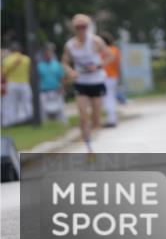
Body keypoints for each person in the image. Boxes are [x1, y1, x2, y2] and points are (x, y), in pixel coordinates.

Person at [62, 14, 114, 158]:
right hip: (81, 83)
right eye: (78, 27)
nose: (81, 30)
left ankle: (92, 136)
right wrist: (71, 71)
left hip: (96, 82)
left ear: (89, 27)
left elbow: (110, 56)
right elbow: (64, 62)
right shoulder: (70, 45)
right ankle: (89, 148)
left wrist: (97, 66)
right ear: (74, 28)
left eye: (84, 26)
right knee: (83, 116)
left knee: (96, 120)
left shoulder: (96, 41)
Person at [1, 42, 33, 127]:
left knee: (9, 104)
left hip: (11, 84)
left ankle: (9, 122)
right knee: (27, 103)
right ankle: (29, 119)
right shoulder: (27, 59)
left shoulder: (7, 60)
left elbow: (3, 73)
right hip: (24, 83)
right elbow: (30, 72)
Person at [37, 43, 67, 124]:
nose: (48, 55)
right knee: (43, 109)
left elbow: (62, 78)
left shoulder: (56, 65)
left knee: (60, 108)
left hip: (56, 90)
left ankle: (63, 123)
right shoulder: (40, 66)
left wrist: (62, 88)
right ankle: (45, 123)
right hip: (44, 91)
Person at [99, 32, 121, 128]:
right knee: (110, 97)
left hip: (105, 77)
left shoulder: (103, 52)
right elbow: (118, 64)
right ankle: (112, 118)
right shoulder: (115, 50)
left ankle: (111, 120)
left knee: (107, 98)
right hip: (114, 76)